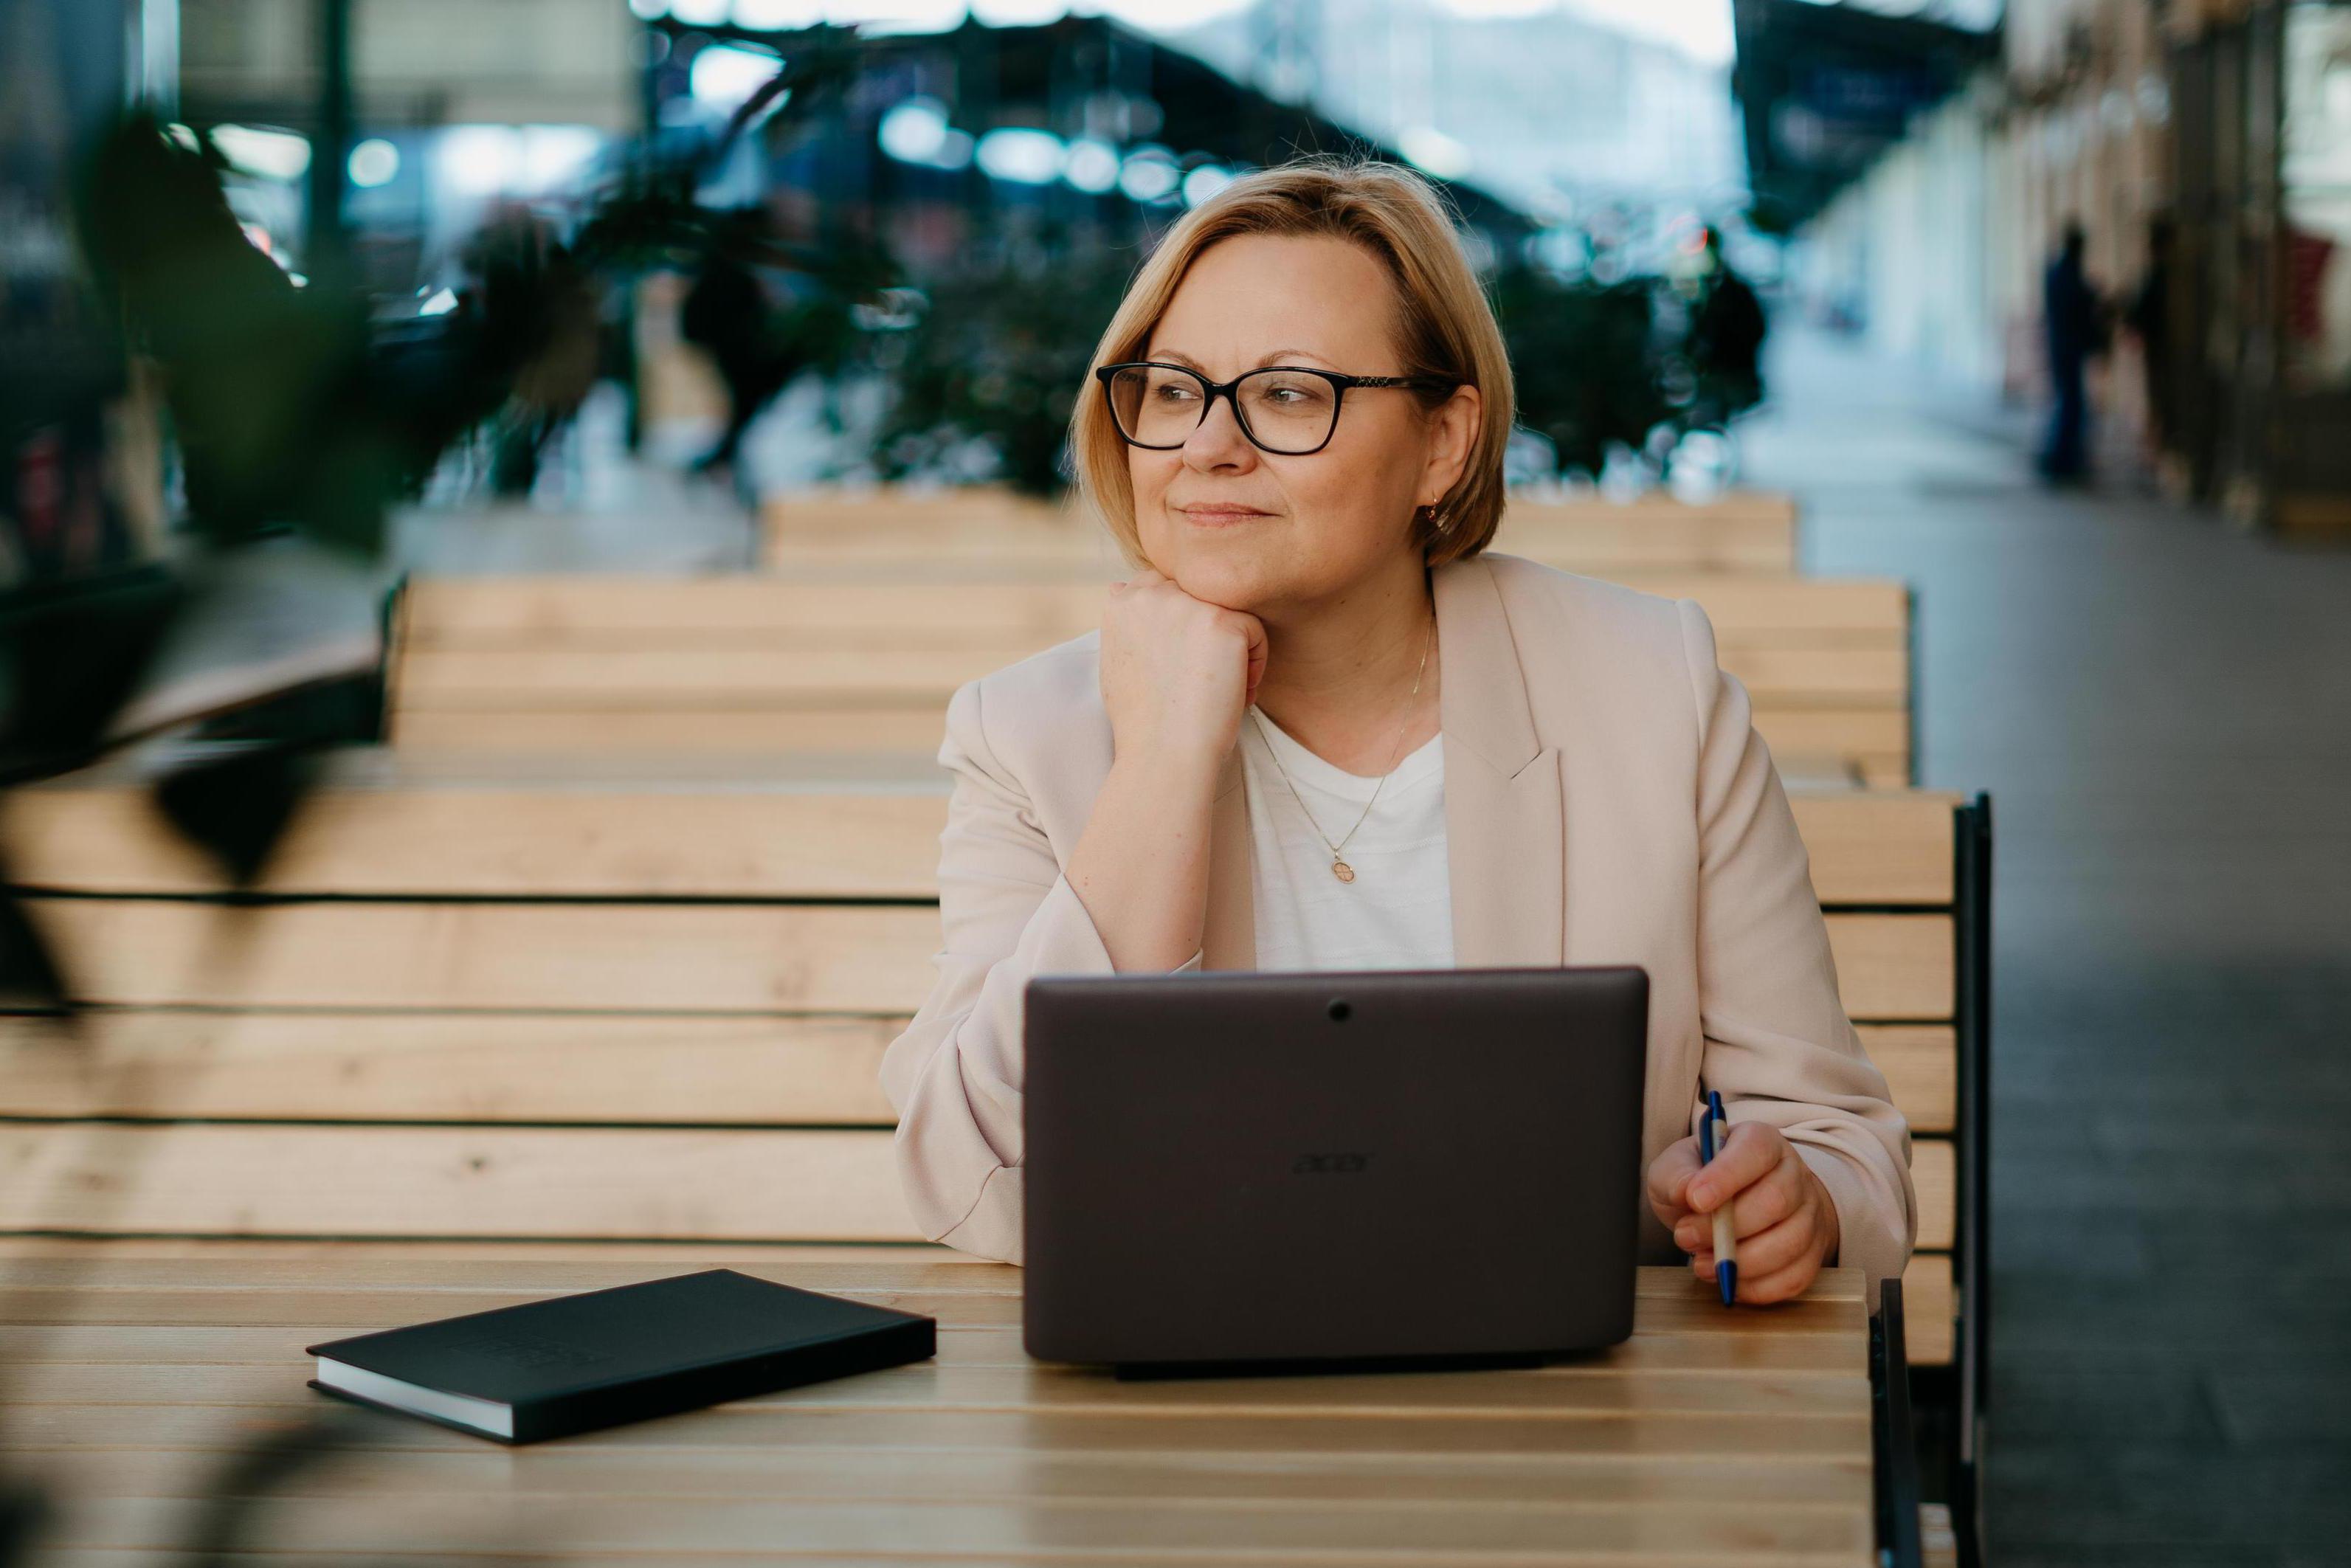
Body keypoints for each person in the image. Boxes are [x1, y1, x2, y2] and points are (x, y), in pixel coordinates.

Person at [880, 160, 1916, 1305]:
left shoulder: (1653, 692)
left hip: (1568, 1421)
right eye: (1172, 390)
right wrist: (1164, 763)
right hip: (1182, 1428)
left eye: (1286, 393)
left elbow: (1840, 1147)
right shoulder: (1028, 735)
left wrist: (1792, 1200)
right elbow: (973, 1182)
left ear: (1443, 444)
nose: (1205, 446)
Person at [2040, 221, 2105, 483]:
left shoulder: (2059, 271)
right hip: (2067, 348)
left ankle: (2062, 458)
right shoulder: (2067, 273)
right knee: (2071, 404)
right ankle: (2063, 460)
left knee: (2068, 403)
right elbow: (2076, 306)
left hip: (2062, 347)